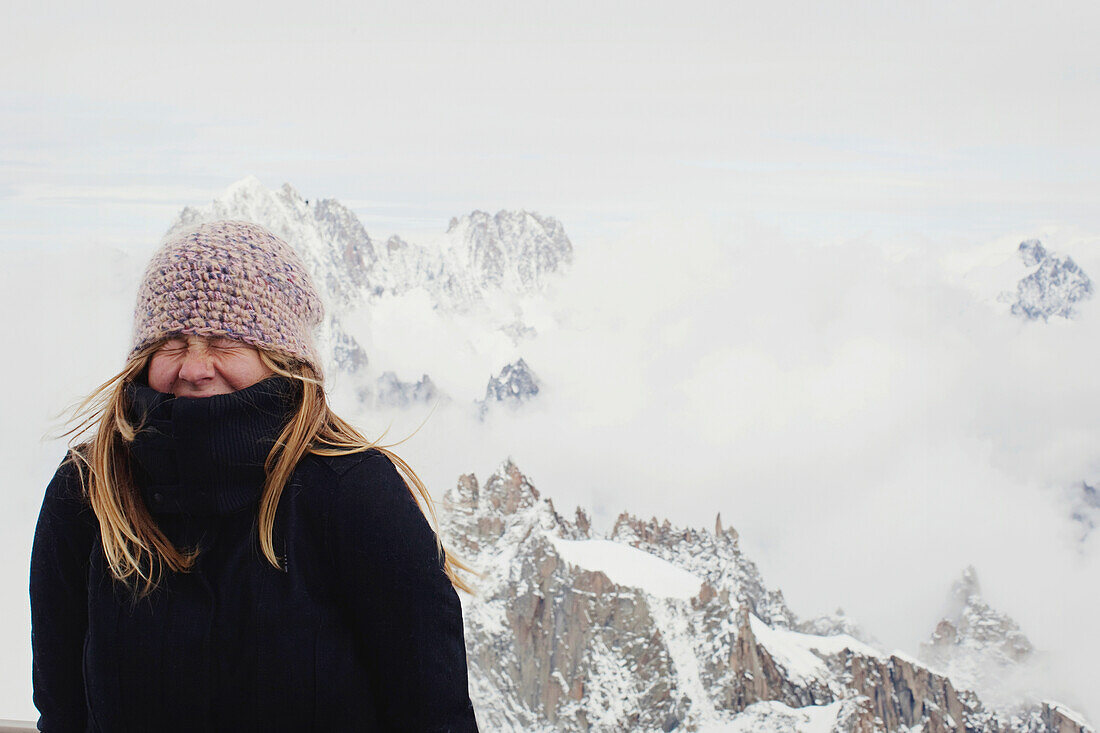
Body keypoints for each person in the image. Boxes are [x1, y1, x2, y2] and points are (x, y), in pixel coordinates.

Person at [29, 220, 481, 732]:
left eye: (225, 339)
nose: (195, 368)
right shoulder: (89, 494)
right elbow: (62, 710)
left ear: (283, 359)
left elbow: (432, 715)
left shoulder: (355, 496)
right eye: (172, 341)